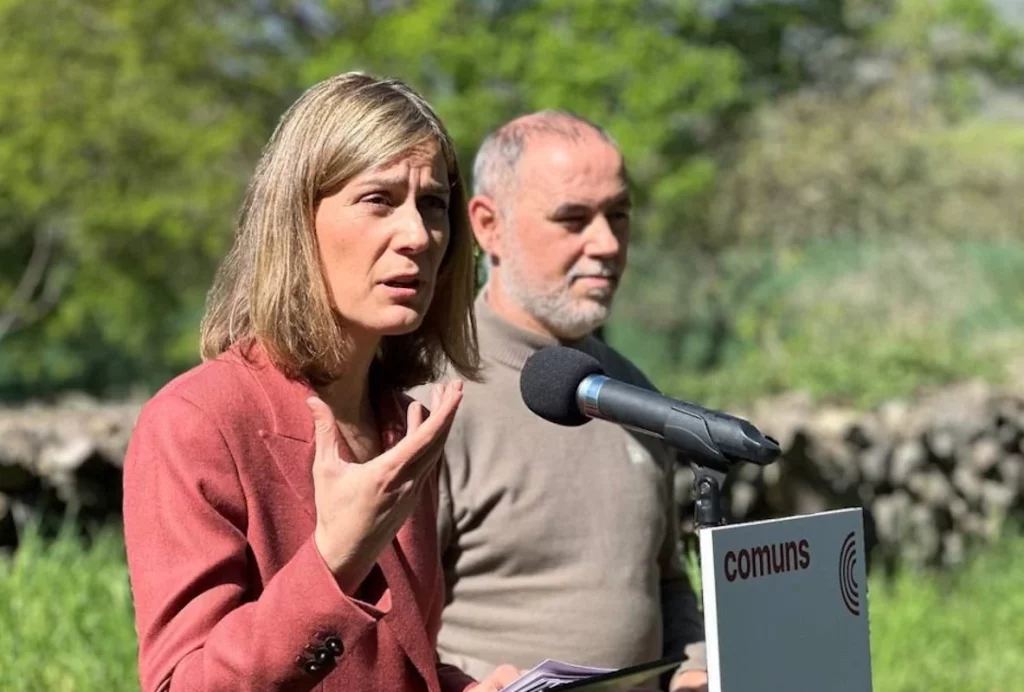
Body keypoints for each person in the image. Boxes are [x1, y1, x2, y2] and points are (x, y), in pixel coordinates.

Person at [121, 72, 519, 692]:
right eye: (379, 200)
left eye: (433, 204)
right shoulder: (196, 422)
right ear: (299, 221)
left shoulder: (400, 423)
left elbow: (388, 663)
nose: (416, 235)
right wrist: (335, 560)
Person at [411, 111, 709, 691]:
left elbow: (665, 580)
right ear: (488, 226)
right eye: (573, 218)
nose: (606, 243)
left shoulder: (636, 393)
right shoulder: (431, 396)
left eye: (618, 215)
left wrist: (693, 667)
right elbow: (382, 631)